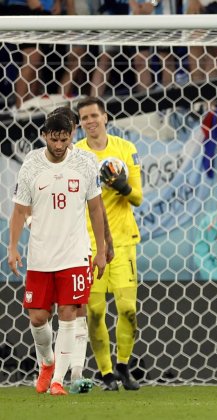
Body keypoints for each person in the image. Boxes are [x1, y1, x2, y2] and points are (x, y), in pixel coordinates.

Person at [7, 113, 107, 396]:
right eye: (54, 138)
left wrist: (100, 250)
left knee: (69, 311)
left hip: (75, 252)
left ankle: (59, 380)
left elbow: (96, 208)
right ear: (44, 135)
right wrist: (12, 247)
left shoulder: (86, 163)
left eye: (65, 138)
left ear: (72, 134)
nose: (60, 144)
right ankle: (48, 363)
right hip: (41, 254)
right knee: (38, 318)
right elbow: (19, 210)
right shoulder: (31, 165)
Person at [75, 96, 143, 391]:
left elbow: (138, 197)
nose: (90, 121)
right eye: (84, 118)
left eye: (94, 115)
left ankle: (124, 366)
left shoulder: (125, 149)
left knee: (128, 309)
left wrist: (120, 185)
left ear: (105, 117)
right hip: (87, 245)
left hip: (124, 242)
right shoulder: (75, 155)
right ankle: (105, 373)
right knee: (94, 312)